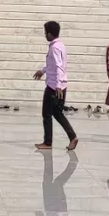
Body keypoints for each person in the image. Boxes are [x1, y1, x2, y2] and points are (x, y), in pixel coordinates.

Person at [33, 20, 78, 151]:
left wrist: (57, 85)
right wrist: (42, 71)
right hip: (61, 84)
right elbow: (53, 65)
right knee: (57, 113)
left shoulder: (54, 48)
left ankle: (47, 142)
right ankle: (72, 136)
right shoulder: (61, 45)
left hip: (54, 86)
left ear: (50, 34)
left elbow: (59, 67)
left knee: (46, 113)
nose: (45, 35)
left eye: (46, 33)